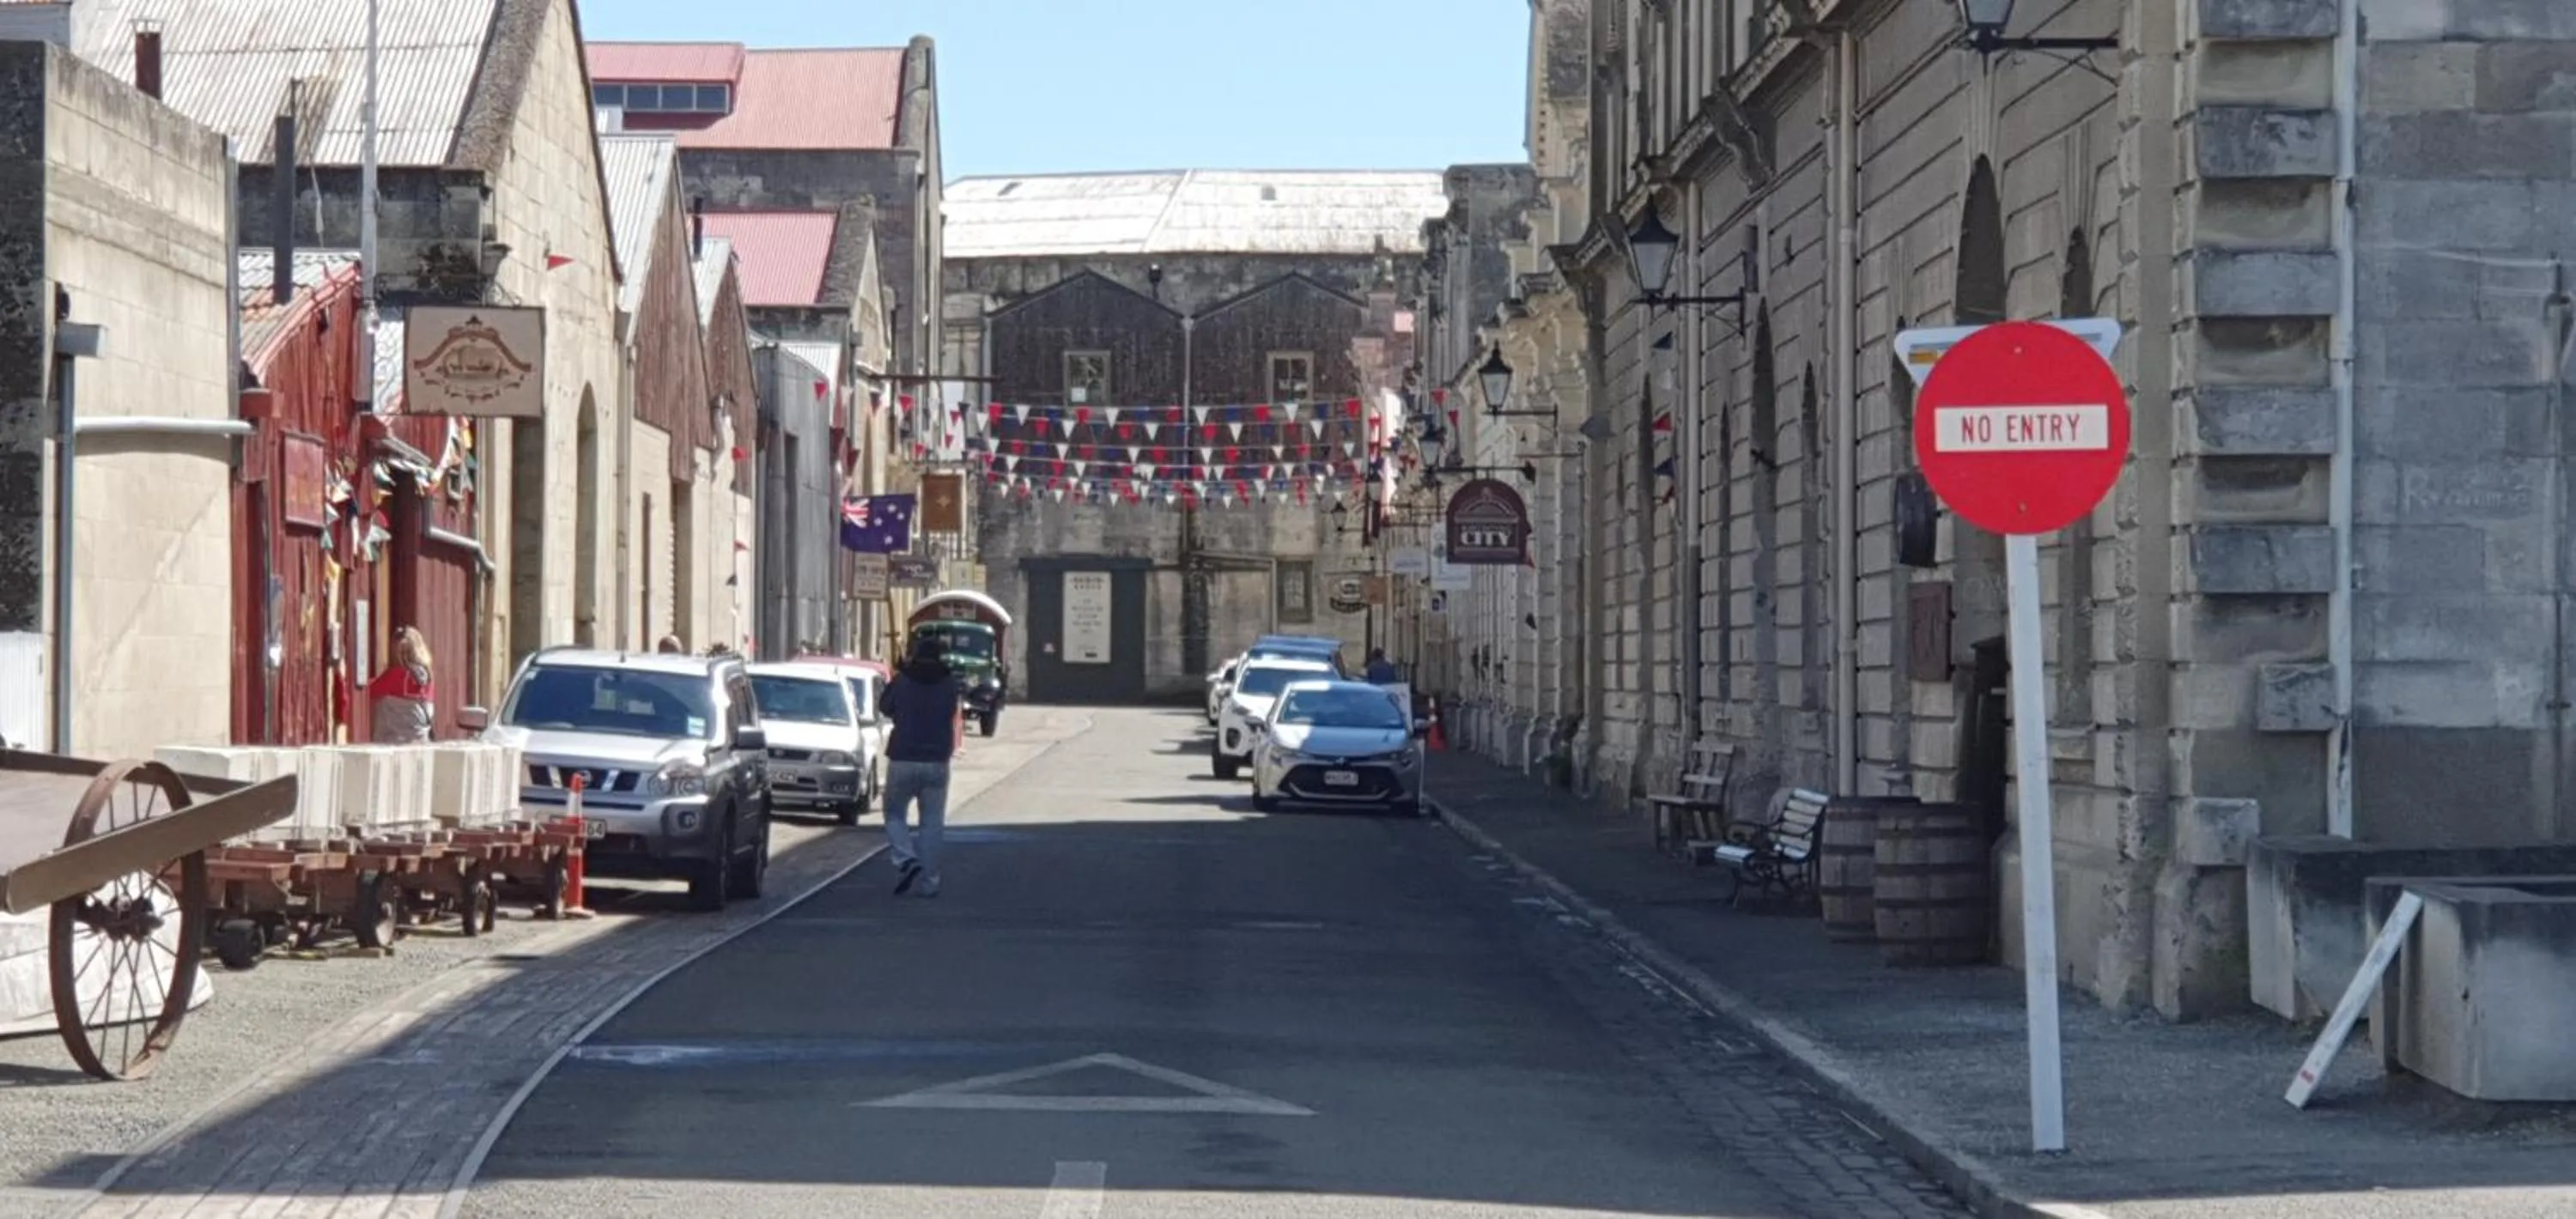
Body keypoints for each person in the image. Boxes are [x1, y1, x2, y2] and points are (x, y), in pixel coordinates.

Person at [879, 637, 965, 897]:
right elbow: (952, 711)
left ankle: (905, 858)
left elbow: (885, 706)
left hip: (903, 757)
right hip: (937, 760)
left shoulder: (903, 681)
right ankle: (931, 882)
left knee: (894, 814)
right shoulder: (949, 684)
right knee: (932, 822)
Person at [367, 627, 436, 743]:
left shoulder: (397, 676)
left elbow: (365, 691)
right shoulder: (428, 678)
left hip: (395, 745)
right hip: (422, 743)